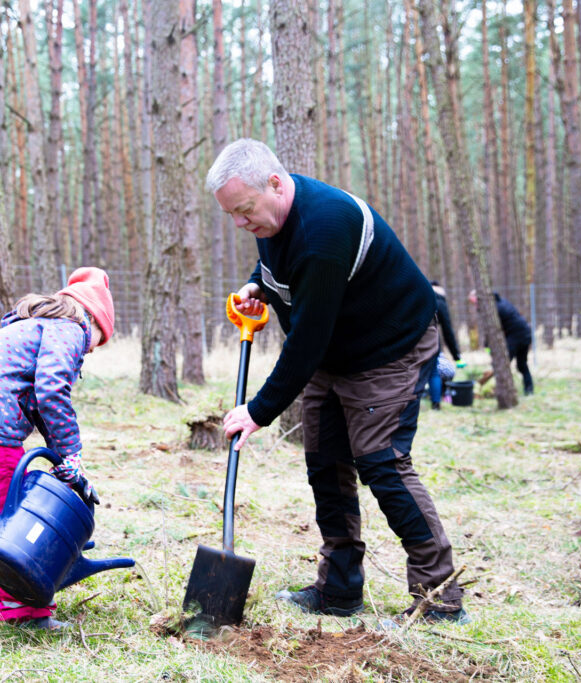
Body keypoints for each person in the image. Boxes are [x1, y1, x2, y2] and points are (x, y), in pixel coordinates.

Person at [206, 138, 467, 624]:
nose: (242, 224)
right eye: (233, 216)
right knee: (324, 460)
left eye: (244, 211)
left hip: (389, 347)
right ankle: (339, 590)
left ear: (276, 184)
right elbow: (278, 261)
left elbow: (306, 341)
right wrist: (255, 286)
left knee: (381, 462)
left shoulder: (324, 228)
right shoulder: (276, 213)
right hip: (336, 350)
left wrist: (258, 411)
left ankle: (439, 601)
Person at [0, 267, 114, 631]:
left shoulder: (34, 326)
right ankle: (24, 609)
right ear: (93, 320)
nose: (92, 348)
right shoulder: (70, 330)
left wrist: (62, 455)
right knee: (16, 517)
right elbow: (52, 390)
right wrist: (71, 453)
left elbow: (36, 398)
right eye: (98, 340)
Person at [469, 290, 534, 395]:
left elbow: (492, 330)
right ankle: (529, 390)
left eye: (475, 303)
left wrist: (487, 345)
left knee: (502, 364)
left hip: (517, 336)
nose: (475, 306)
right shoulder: (499, 302)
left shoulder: (493, 309)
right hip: (525, 334)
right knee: (521, 365)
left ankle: (504, 391)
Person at [428, 281, 464, 409]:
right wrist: (456, 356)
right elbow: (448, 331)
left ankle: (410, 402)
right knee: (433, 372)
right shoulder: (440, 302)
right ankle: (436, 403)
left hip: (411, 338)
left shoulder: (416, 297)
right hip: (430, 340)